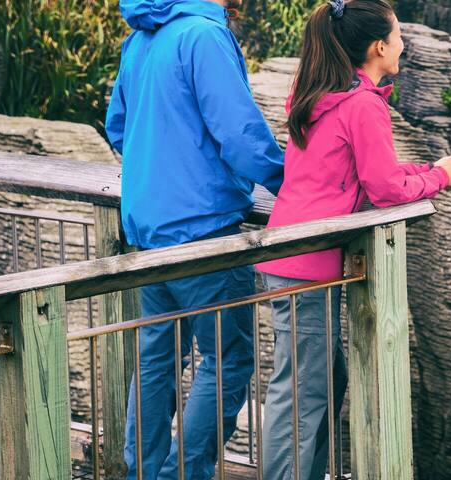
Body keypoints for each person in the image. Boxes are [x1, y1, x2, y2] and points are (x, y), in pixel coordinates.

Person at [254, 0, 451, 478]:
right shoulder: (364, 104)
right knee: (303, 394)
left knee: (320, 382)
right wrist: (437, 178)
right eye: (397, 37)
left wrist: (433, 171)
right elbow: (387, 189)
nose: (403, 44)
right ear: (378, 47)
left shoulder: (320, 92)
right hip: (308, 264)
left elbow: (371, 172)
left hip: (290, 254)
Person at [106, 0, 283, 478]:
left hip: (149, 229)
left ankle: (142, 471)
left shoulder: (141, 38)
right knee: (228, 362)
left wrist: (165, 156)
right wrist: (290, 182)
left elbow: (118, 129)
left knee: (156, 360)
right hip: (205, 232)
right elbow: (241, 135)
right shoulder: (203, 35)